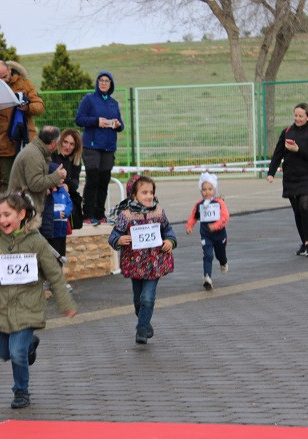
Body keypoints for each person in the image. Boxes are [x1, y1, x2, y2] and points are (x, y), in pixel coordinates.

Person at [0, 192, 76, 409]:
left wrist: (65, 303)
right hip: (1, 307)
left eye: (7, 214)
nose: (2, 220)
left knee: (17, 352)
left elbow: (54, 274)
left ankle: (21, 391)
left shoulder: (36, 241)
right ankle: (30, 346)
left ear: (22, 214)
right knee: (4, 352)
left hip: (29, 306)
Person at [109, 175, 176, 345]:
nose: (148, 196)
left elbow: (168, 230)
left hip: (155, 264)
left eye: (151, 192)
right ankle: (145, 323)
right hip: (134, 265)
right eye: (144, 192)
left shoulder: (159, 212)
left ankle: (141, 330)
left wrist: (170, 241)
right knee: (138, 301)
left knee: (148, 298)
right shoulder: (126, 215)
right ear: (134, 195)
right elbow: (115, 234)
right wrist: (119, 240)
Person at [266, 103, 308, 257]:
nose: (297, 118)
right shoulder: (287, 132)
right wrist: (271, 172)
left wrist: (298, 150)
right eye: (295, 115)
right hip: (291, 177)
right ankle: (304, 243)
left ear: (307, 117)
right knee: (297, 211)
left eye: (301, 116)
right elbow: (278, 154)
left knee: (305, 207)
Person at [75, 71, 124, 225]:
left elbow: (121, 126)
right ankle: (88, 214)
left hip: (108, 147)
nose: (103, 83)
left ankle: (100, 214)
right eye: (101, 80)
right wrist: (97, 121)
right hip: (92, 146)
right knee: (93, 179)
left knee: (104, 181)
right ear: (97, 83)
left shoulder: (113, 103)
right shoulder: (89, 99)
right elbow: (79, 119)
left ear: (111, 84)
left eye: (107, 81)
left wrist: (117, 124)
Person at [0, 60, 45, 194]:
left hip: (26, 141)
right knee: (7, 182)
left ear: (9, 71)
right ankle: (5, 212)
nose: (3, 80)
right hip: (4, 143)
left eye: (4, 76)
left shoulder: (25, 84)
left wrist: (27, 108)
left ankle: (31, 212)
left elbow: (40, 107)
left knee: (30, 180)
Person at [7, 126, 67, 219]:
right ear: (53, 143)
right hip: (25, 208)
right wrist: (56, 176)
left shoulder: (36, 151)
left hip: (24, 205)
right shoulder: (34, 155)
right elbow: (35, 184)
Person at [186, 172, 229, 290]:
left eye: (210, 189)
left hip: (219, 235)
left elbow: (225, 217)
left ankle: (223, 262)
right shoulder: (199, 204)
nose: (207, 192)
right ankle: (207, 277)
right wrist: (189, 226)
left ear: (214, 189)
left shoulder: (219, 203)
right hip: (206, 235)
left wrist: (216, 226)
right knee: (208, 255)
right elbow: (194, 216)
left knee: (220, 255)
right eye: (204, 189)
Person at [51, 128, 84, 230]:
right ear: (60, 141)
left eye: (72, 144)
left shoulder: (75, 160)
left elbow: (75, 181)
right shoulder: (52, 155)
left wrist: (67, 186)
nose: (67, 146)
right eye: (65, 142)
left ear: (75, 147)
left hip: (66, 194)